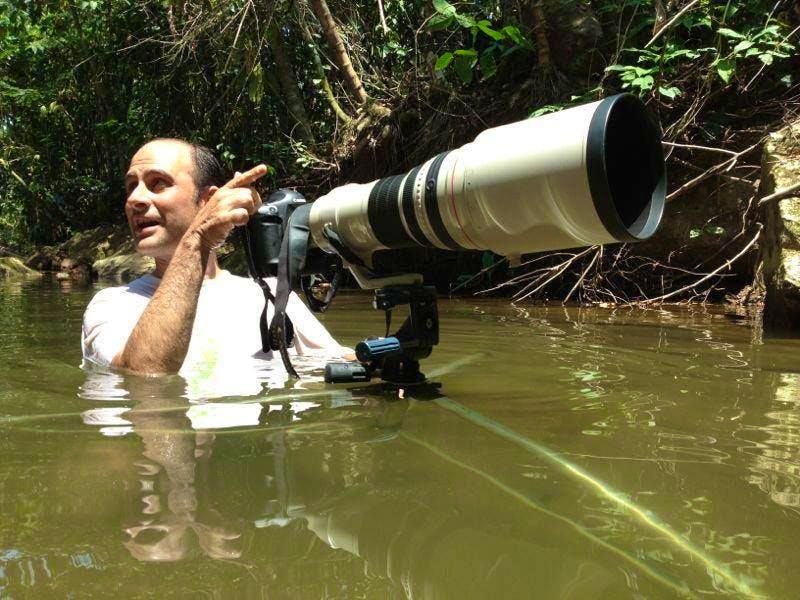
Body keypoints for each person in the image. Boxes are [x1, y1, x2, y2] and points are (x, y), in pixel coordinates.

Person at [81, 139, 350, 388]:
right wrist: (197, 239)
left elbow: (338, 365)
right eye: (131, 186)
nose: (134, 199)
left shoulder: (270, 294)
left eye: (158, 183)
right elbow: (144, 378)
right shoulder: (112, 304)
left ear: (207, 200)